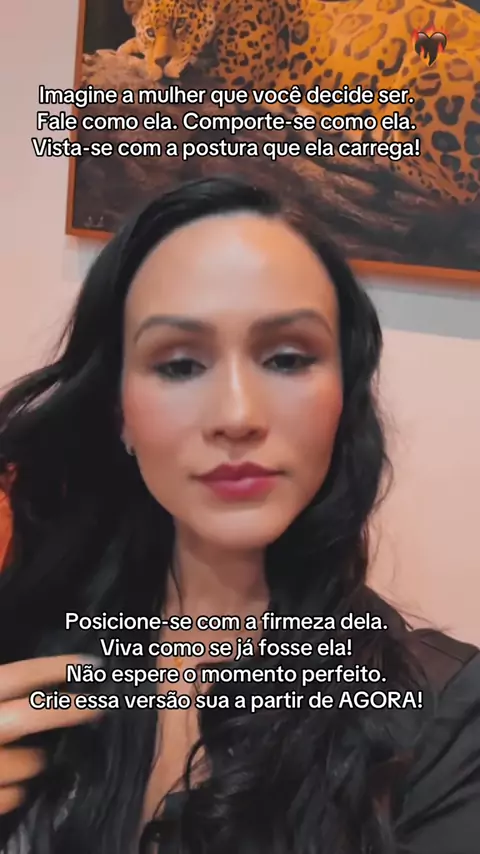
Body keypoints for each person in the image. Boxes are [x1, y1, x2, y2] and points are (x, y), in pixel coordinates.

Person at [0, 175, 478, 854]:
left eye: (286, 358)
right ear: (118, 411)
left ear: (343, 395)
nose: (237, 415)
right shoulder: (24, 633)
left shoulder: (444, 721)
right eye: (178, 365)